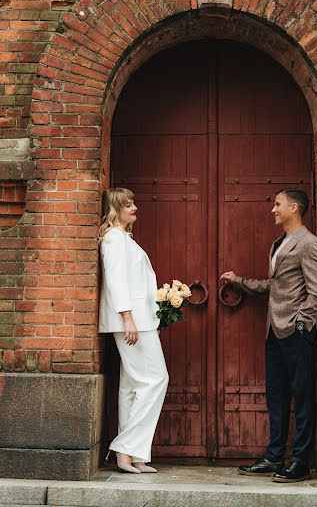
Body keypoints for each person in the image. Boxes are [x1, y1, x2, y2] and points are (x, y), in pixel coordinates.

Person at [221, 189, 317, 483]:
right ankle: (273, 456)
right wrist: (239, 282)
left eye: (278, 204)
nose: (273, 210)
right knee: (276, 397)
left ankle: (300, 462)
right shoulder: (279, 243)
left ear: (294, 207)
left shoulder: (309, 244)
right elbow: (275, 286)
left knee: (303, 398)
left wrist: (301, 324)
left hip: (297, 332)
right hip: (274, 331)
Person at [98, 187, 169, 474]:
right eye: (128, 205)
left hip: (140, 321)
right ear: (116, 210)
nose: (134, 208)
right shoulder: (114, 239)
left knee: (131, 387)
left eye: (134, 202)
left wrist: (153, 318)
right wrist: (128, 318)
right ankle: (125, 447)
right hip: (131, 322)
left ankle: (133, 455)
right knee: (156, 379)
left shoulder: (125, 239)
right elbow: (116, 281)